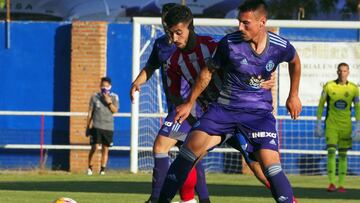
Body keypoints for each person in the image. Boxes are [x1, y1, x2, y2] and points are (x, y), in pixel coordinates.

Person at [159, 0, 301, 202]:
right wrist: (190, 102)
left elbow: (295, 61)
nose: (240, 27)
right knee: (188, 150)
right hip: (224, 110)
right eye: (239, 22)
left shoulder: (280, 46)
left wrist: (293, 95)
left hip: (257, 114)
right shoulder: (229, 43)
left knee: (269, 165)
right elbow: (207, 72)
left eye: (246, 23)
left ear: (262, 22)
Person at [130, 3, 210, 203]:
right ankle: (193, 199)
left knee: (160, 147)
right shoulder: (161, 45)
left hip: (191, 108)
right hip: (176, 107)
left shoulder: (194, 45)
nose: (168, 25)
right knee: (189, 156)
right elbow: (151, 66)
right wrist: (137, 82)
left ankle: (156, 199)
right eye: (166, 21)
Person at [315, 62, 360, 192]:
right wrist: (318, 122)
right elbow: (321, 105)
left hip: (346, 127)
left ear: (348, 72)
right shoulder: (329, 86)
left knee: (343, 155)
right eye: (340, 71)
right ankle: (331, 183)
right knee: (330, 152)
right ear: (337, 72)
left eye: (345, 71)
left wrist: (358, 124)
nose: (342, 73)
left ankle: (341, 184)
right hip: (331, 125)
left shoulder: (353, 88)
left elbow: (357, 108)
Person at [86, 77, 119, 175]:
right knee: (94, 147)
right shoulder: (95, 97)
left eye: (106, 86)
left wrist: (108, 102)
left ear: (110, 86)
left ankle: (102, 169)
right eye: (102, 86)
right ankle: (90, 167)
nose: (104, 88)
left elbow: (115, 111)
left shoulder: (114, 97)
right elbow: (90, 113)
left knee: (105, 148)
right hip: (96, 125)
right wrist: (88, 127)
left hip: (108, 127)